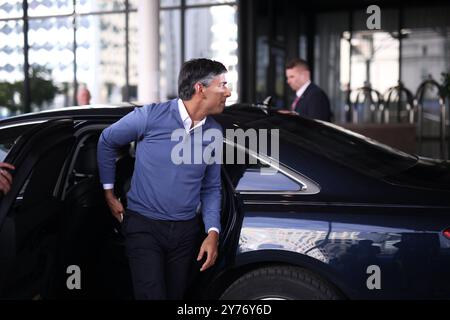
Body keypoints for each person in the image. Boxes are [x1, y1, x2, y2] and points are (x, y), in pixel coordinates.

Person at [97, 58, 231, 300]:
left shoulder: (214, 133)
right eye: (222, 85)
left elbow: (211, 187)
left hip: (185, 232)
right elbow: (107, 140)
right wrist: (108, 191)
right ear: (200, 88)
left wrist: (213, 233)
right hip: (143, 227)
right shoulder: (149, 117)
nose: (228, 92)